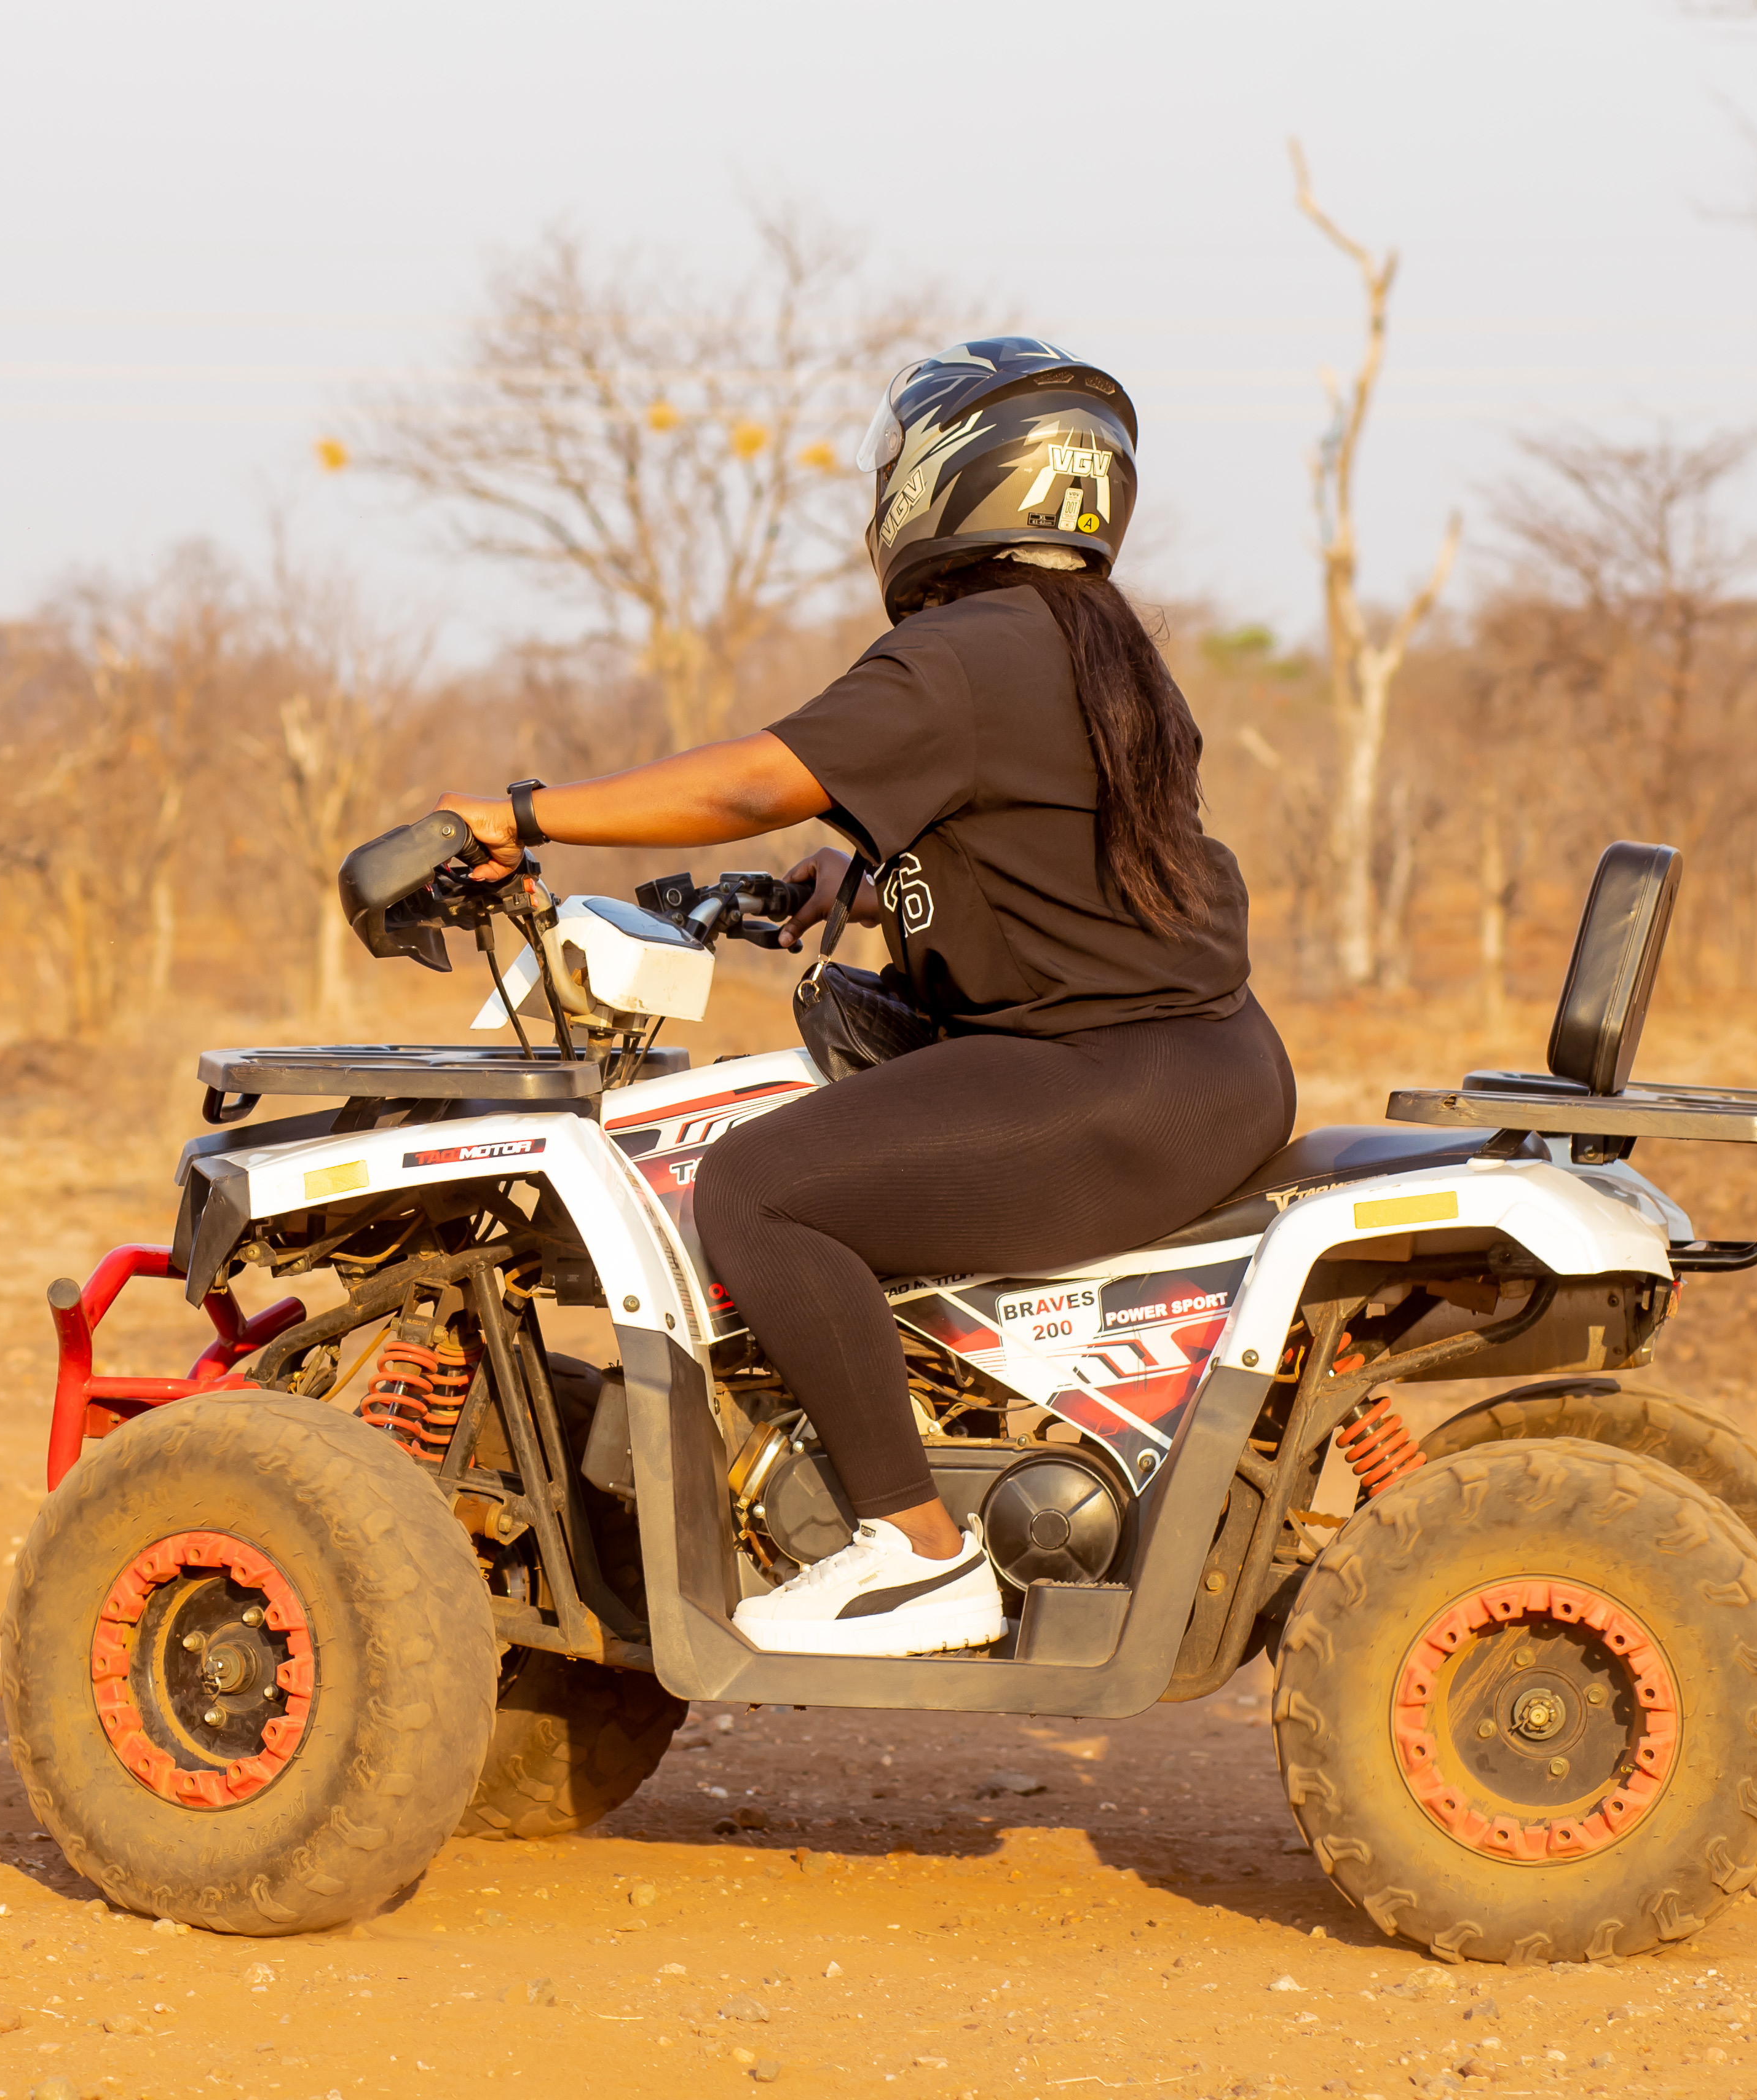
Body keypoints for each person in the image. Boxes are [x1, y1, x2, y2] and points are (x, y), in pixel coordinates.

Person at [430, 337, 1294, 1658]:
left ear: (946, 478)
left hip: (1103, 1075)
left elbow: (747, 784)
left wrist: (519, 814)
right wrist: (874, 877)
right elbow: (1055, 859)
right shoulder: (1095, 642)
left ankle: (916, 1553)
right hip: (1201, 1068)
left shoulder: (964, 651)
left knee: (757, 1189)